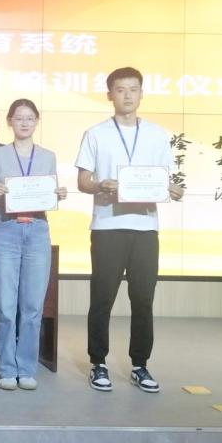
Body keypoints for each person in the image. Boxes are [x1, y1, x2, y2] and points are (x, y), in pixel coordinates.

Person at [76, 67, 183, 393]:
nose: (127, 95)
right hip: (108, 225)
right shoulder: (96, 134)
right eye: (120, 89)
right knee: (102, 298)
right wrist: (100, 185)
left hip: (145, 228)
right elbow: (83, 181)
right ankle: (98, 362)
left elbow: (165, 180)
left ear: (141, 94)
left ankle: (140, 365)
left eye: (133, 89)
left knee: (143, 299)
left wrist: (172, 189)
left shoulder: (157, 135)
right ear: (110, 94)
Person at [0, 99, 67, 390]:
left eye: (29, 118)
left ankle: (26, 368)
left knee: (32, 305)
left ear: (36, 121)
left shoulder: (48, 156)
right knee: (5, 305)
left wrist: (58, 193)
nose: (24, 123)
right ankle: (7, 368)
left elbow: (49, 192)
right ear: (10, 122)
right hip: (7, 228)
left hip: (38, 229)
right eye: (19, 118)